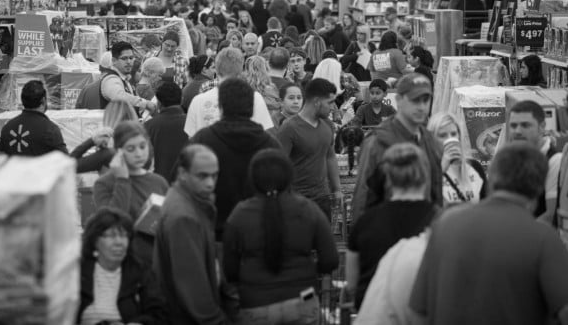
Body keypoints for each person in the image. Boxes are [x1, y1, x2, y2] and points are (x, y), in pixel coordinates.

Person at [410, 143, 568, 325]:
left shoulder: (444, 226)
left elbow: (417, 313)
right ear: (539, 188)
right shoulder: (544, 239)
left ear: (491, 178)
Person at [222, 149, 339, 325]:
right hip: (303, 299)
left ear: (253, 178)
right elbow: (330, 259)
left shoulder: (240, 214)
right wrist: (307, 271)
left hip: (255, 305)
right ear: (290, 175)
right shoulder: (308, 210)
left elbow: (229, 269)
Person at [345, 143, 439, 310]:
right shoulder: (441, 221)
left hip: (373, 311)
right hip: (423, 312)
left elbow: (351, 284)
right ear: (426, 174)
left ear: (387, 177)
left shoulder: (365, 222)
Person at [190, 78, 280, 241]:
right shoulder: (271, 145)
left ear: (221, 106)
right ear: (252, 108)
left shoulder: (202, 140)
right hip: (257, 236)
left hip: (212, 235)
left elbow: (181, 182)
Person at [352, 73, 443, 220]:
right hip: (386, 233)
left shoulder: (431, 141)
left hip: (423, 232)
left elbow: (436, 192)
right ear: (399, 100)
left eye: (425, 100)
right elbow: (362, 198)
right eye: (414, 100)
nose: (421, 107)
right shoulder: (376, 143)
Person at [153, 144, 228, 324]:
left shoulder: (187, 200)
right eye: (202, 176)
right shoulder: (184, 217)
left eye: (214, 175)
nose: (210, 183)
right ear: (183, 173)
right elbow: (193, 286)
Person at [93, 121, 168, 266]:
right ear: (118, 152)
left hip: (155, 262)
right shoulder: (104, 184)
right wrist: (122, 179)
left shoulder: (159, 182)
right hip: (123, 263)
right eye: (131, 149)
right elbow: (113, 223)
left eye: (142, 146)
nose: (139, 154)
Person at [77, 207, 168, 325]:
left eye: (124, 236)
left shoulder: (140, 271)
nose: (119, 242)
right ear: (95, 240)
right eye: (111, 236)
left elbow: (159, 313)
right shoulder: (78, 273)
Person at [278, 78, 343, 220]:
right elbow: (279, 166)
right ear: (317, 101)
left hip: (322, 199)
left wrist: (337, 189)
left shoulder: (328, 126)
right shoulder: (289, 128)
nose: (333, 107)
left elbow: (330, 156)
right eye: (330, 102)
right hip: (295, 200)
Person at [184, 47, 274, 137]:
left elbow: (191, 138)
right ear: (241, 71)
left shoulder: (198, 101)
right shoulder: (255, 98)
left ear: (217, 70)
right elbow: (265, 134)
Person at [507, 100, 561, 222]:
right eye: (513, 125)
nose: (518, 131)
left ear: (542, 127)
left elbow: (550, 215)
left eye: (525, 125)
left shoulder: (554, 161)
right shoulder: (511, 158)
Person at [427, 112, 487, 204]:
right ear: (432, 140)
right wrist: (441, 169)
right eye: (443, 135)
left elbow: (485, 203)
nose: (450, 139)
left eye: (454, 134)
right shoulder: (426, 169)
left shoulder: (474, 166)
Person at [0, 80, 68, 156]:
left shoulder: (7, 128)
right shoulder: (50, 129)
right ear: (43, 100)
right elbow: (65, 162)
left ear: (22, 100)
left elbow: (0, 160)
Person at [71, 100, 138, 174]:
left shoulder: (109, 153)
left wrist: (92, 140)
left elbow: (69, 165)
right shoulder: (142, 145)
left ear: (108, 117)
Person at [144, 82, 189, 182]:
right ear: (182, 100)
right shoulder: (191, 123)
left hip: (156, 184)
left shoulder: (148, 126)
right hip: (185, 184)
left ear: (158, 103)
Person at [101, 42, 151, 112]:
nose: (129, 62)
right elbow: (119, 96)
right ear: (114, 61)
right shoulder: (111, 79)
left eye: (131, 58)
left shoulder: (124, 77)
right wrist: (145, 103)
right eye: (124, 58)